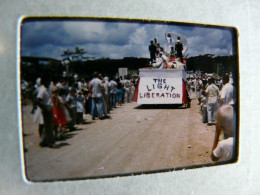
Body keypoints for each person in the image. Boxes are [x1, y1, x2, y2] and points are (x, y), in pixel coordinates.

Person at [36, 77, 57, 148]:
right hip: (46, 109)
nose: (49, 83)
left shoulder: (48, 89)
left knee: (48, 126)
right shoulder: (42, 90)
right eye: (47, 82)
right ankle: (51, 142)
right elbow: (38, 101)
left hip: (50, 108)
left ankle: (44, 141)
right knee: (49, 127)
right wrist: (45, 107)